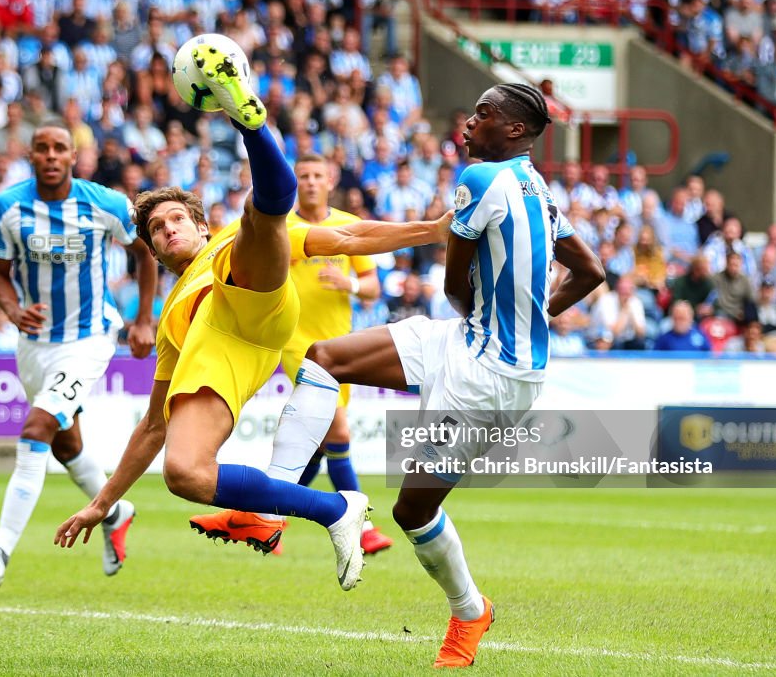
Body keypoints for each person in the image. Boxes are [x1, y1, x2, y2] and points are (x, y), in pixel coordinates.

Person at [54, 45, 451, 591]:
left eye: (177, 219)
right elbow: (151, 427)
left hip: (251, 295)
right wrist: (101, 505)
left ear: (197, 223)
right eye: (156, 230)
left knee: (260, 218)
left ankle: (249, 120)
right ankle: (335, 509)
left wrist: (428, 231)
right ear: (151, 250)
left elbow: (348, 235)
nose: (169, 230)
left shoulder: (218, 246)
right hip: (224, 355)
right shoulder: (172, 319)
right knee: (183, 473)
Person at [257, 84, 604, 666]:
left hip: (490, 376)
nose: (470, 121)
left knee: (411, 512)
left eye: (485, 113)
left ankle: (471, 611)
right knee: (325, 357)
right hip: (466, 342)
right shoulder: (536, 188)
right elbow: (590, 270)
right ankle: (264, 510)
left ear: (515, 130)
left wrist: (509, 322)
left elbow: (452, 286)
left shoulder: (480, 179)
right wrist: (529, 317)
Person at [0, 121, 158, 592]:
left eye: (60, 148)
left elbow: (145, 253)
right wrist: (12, 308)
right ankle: (115, 512)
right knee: (65, 443)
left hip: (89, 338)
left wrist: (142, 321)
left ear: (74, 156)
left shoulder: (105, 203)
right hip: (34, 345)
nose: (51, 155)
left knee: (36, 428)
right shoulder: (9, 207)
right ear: (31, 156)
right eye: (42, 148)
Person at [187, 153, 394, 557]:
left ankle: (261, 520)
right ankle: (363, 525)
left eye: (318, 175)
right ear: (295, 182)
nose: (312, 182)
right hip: (298, 345)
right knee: (338, 433)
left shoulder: (346, 226)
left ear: (331, 180)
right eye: (304, 176)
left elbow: (372, 287)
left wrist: (347, 284)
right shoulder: (282, 227)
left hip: (341, 346)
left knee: (313, 449)